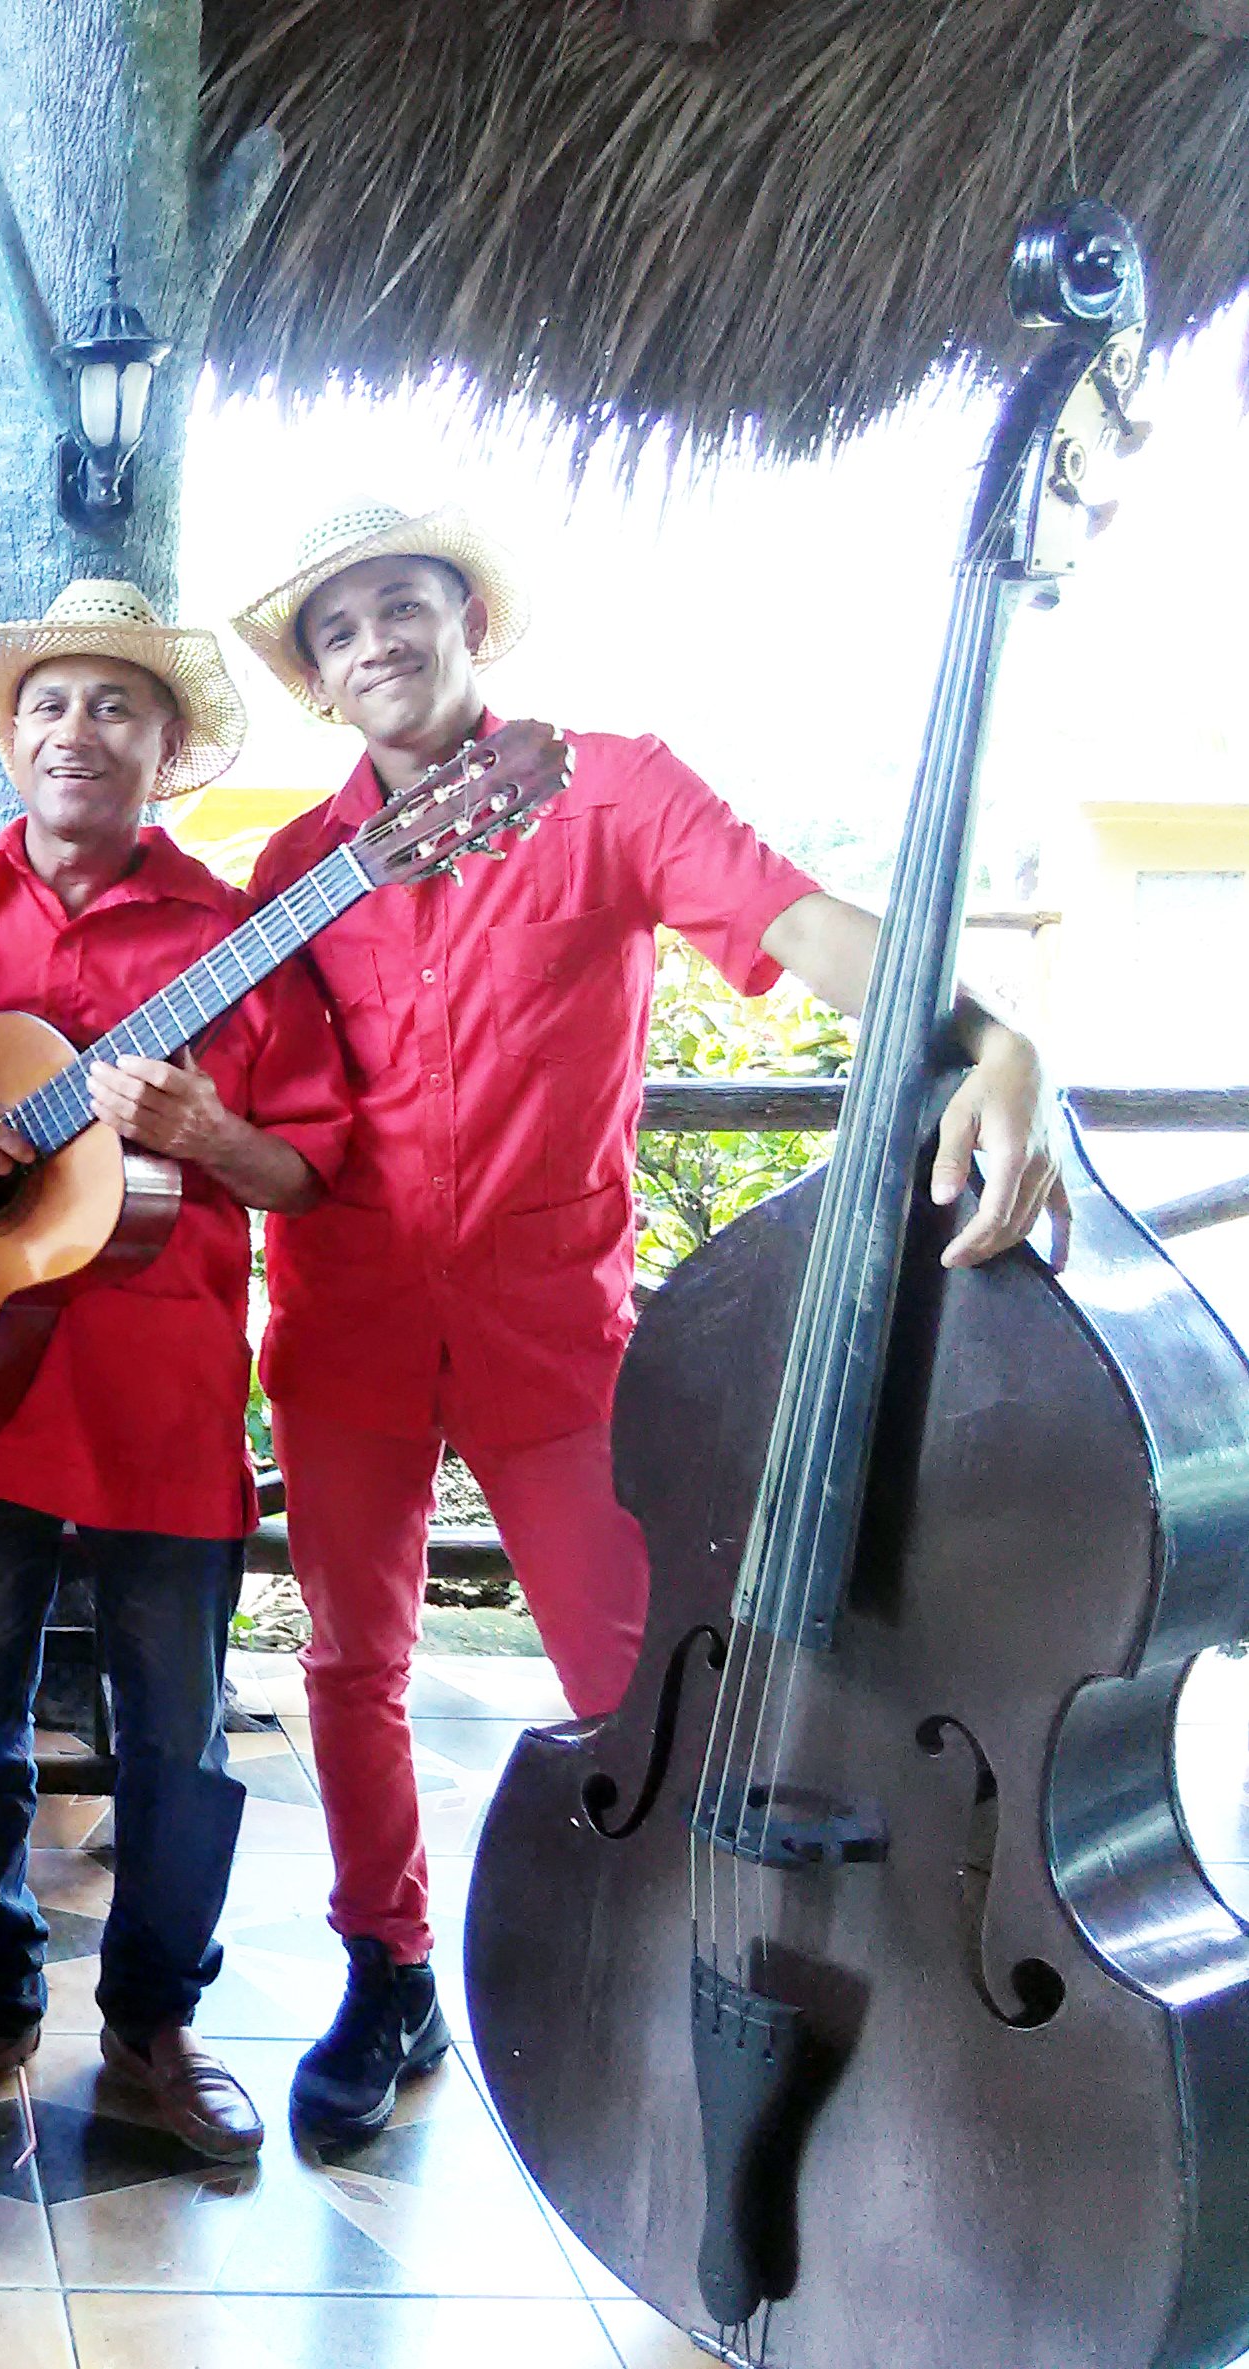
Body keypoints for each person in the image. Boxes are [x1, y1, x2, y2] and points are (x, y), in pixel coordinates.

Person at [227, 499, 1066, 2152]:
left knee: (633, 1669)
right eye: (336, 629)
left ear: (472, 618)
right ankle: (386, 1965)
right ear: (318, 685)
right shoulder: (292, 874)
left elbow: (801, 924)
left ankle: (685, 1973)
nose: (374, 640)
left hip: (557, 1337)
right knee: (346, 1665)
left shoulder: (609, 787)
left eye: (404, 603)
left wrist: (991, 1034)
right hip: (346, 1332)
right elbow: (280, 1117)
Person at [0, 582, 354, 2163]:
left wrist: (205, 1136)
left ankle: (157, 2027)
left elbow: (305, 1169)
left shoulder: (238, 937)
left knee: (178, 1741)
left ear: (166, 751)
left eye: (115, 708)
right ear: (9, 736)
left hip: (162, 1411)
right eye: (49, 705)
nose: (76, 732)